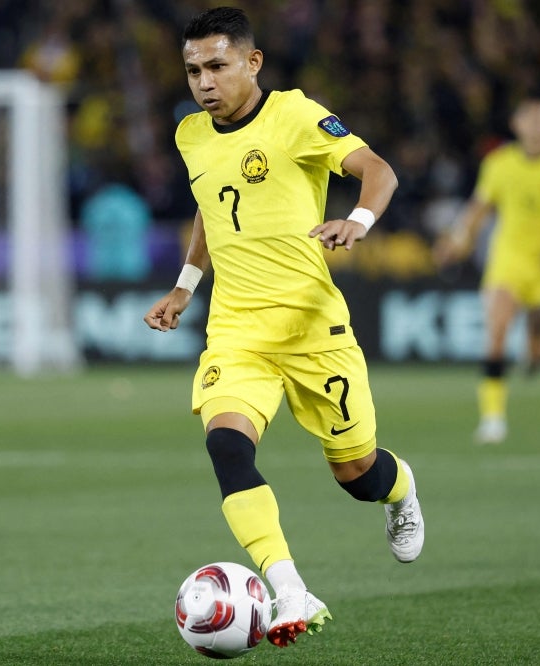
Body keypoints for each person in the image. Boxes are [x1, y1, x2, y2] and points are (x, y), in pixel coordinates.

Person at [143, 7, 424, 648]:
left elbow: (380, 170)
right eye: (193, 70)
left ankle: (402, 490)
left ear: (252, 62)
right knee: (226, 445)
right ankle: (288, 584)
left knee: (358, 474)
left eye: (217, 65)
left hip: (310, 326)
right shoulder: (191, 136)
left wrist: (359, 220)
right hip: (237, 329)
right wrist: (186, 288)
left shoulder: (296, 117)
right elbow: (210, 208)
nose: (204, 82)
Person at [434, 96, 540, 444]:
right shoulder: (500, 164)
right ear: (517, 125)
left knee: (539, 344)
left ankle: (535, 356)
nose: (538, 124)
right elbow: (479, 208)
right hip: (508, 260)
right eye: (531, 118)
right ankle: (492, 419)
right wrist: (456, 239)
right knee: (496, 332)